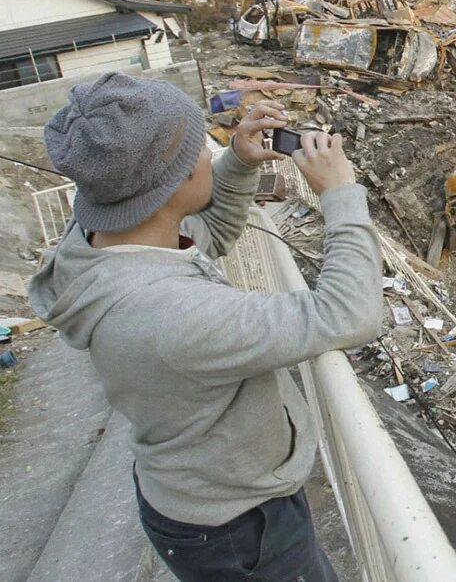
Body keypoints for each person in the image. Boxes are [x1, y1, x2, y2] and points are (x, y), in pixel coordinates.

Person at [28, 72, 384, 581]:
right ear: (170, 182)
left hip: (203, 497)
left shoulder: (100, 240)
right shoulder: (168, 313)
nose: (207, 153)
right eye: (200, 146)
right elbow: (349, 313)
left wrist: (236, 162)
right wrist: (341, 194)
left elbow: (206, 232)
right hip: (238, 529)